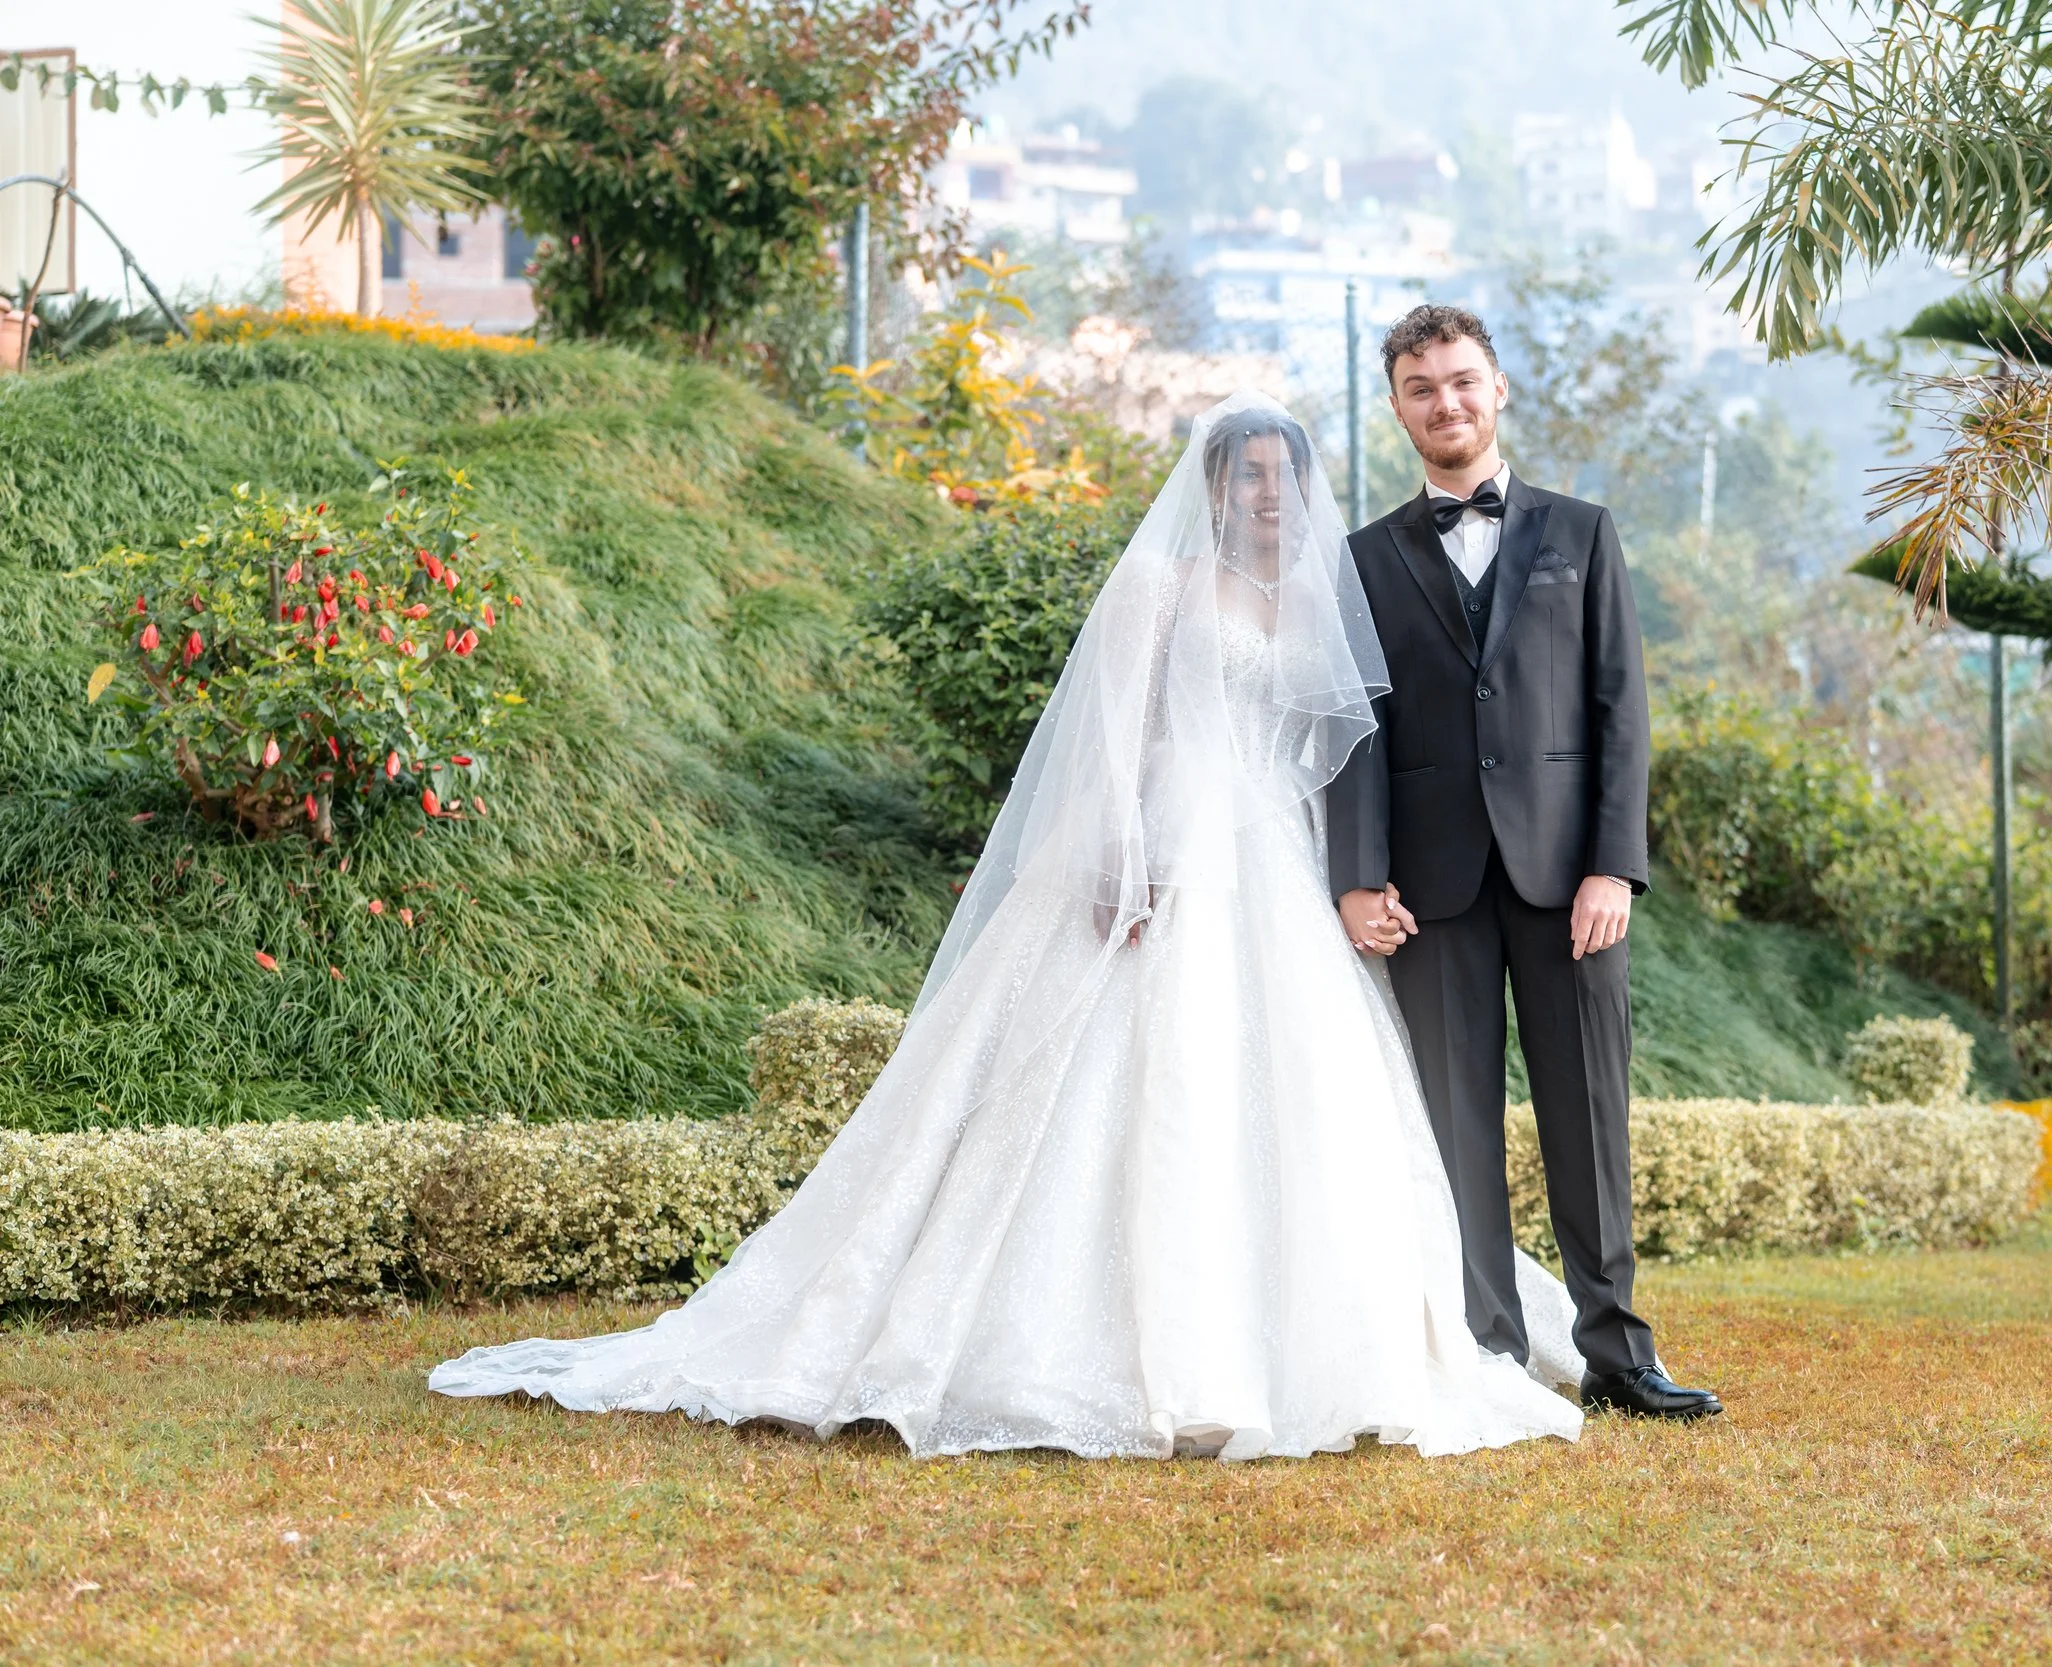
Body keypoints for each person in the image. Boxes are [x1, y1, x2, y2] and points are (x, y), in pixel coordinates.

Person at [431, 392, 1587, 1460]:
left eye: (1284, 475)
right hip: (1168, 851)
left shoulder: (1321, 601)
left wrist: (1357, 877)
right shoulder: (1162, 587)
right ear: (1211, 487)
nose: (1268, 495)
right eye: (1245, 477)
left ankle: (1312, 1345)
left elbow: (1340, 761)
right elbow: (1114, 735)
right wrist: (1123, 857)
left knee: (1295, 1096)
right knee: (1121, 1085)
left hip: (1276, 868)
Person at [1327, 305, 1722, 1421]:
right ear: (1397, 406)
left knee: (1589, 1112)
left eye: (1460, 380)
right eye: (1419, 386)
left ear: (1498, 390)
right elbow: (1352, 726)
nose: (1443, 402)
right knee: (1452, 1123)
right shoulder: (1359, 560)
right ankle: (1486, 1348)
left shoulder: (1582, 533)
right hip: (1429, 883)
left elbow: (1621, 711)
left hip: (1568, 883)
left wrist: (1614, 865)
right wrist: (1355, 877)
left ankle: (1616, 1349)